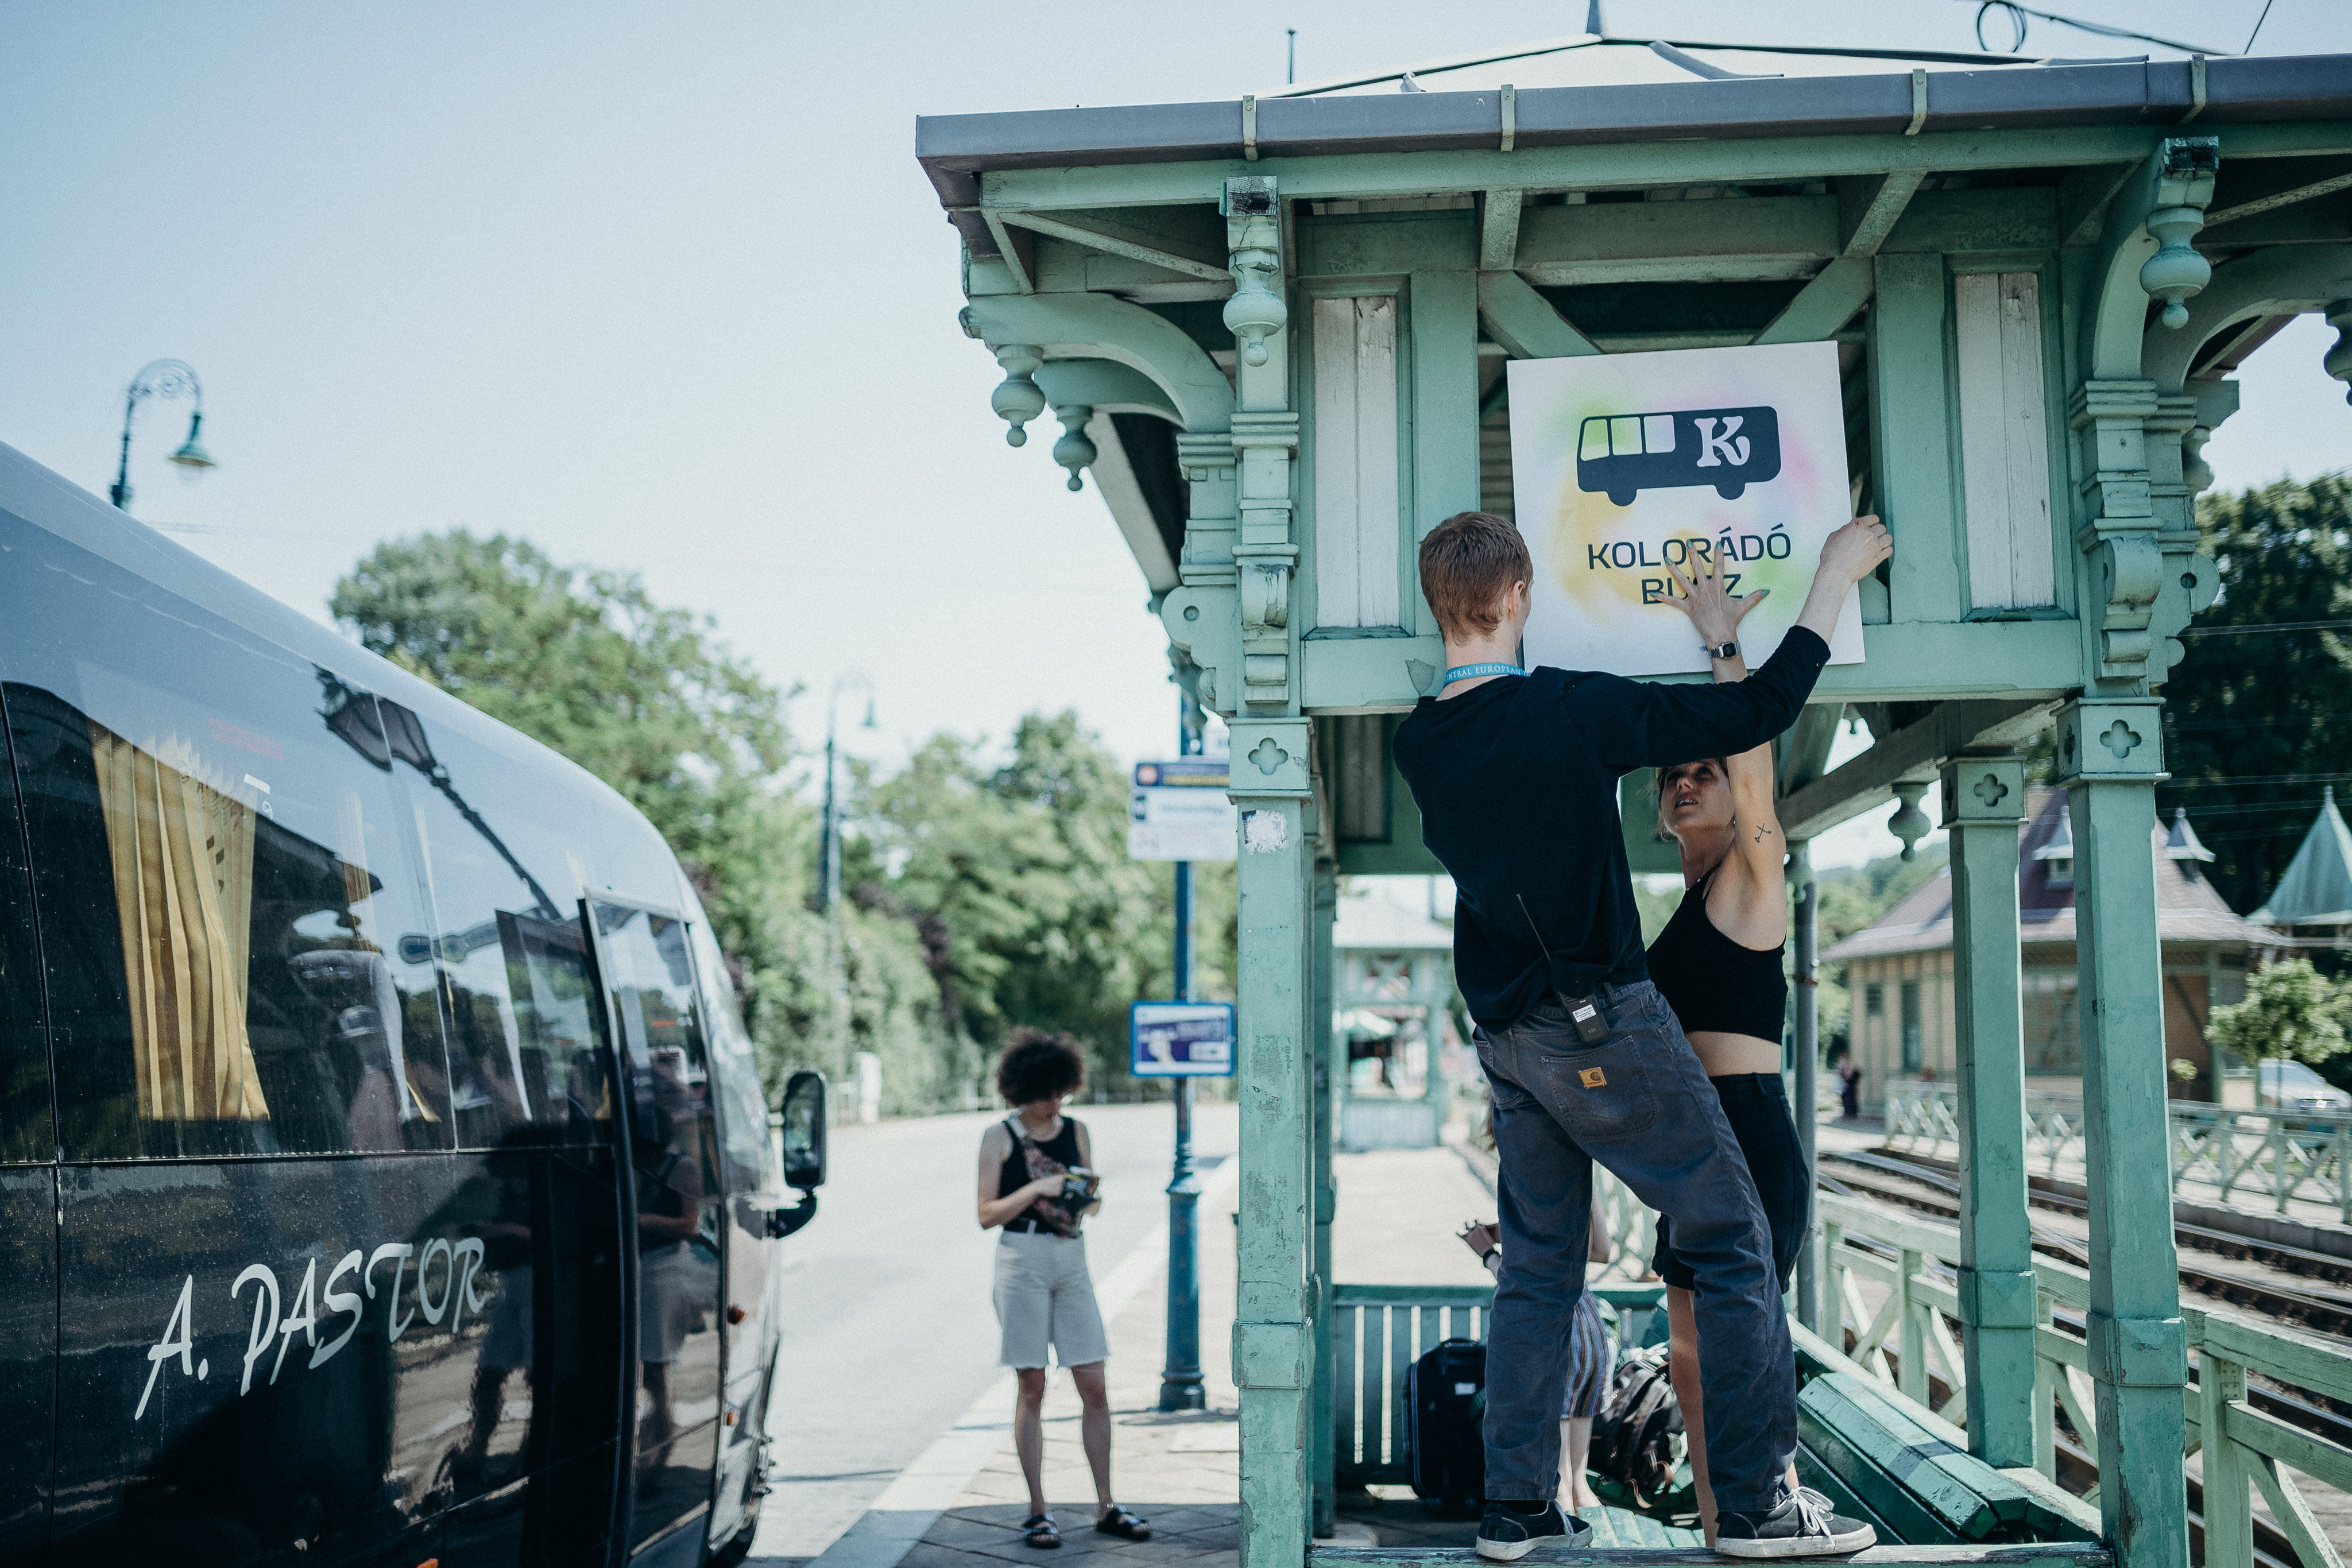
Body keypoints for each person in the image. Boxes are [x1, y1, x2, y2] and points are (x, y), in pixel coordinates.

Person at [1391, 509, 1888, 1561]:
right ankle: (1756, 1509)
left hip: (1507, 1040)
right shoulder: (1566, 710)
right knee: (1735, 1241)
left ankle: (1514, 1508)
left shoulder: (1418, 743)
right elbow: (1758, 708)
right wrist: (1831, 574)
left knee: (1537, 1270)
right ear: (1520, 596)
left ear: (1437, 606)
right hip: (1598, 1018)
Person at [1643, 547, 1811, 1546]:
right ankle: (1719, 1523)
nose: (1687, 780)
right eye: (1674, 773)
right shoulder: (1679, 904)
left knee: (1739, 1347)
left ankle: (1765, 1504)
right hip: (1691, 1140)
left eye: (1702, 769)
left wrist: (1723, 647)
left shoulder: (1753, 881)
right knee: (1686, 1355)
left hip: (1747, 1133)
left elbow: (1755, 780)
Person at [975, 1030, 1150, 1550]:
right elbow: (986, 1214)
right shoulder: (999, 1136)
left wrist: (1084, 1196)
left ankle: (1106, 1502)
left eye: (1060, 1092)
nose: (1054, 1103)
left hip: (1071, 1256)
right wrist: (1036, 1187)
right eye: (1044, 1093)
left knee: (1094, 1381)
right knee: (1032, 1385)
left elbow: (1091, 1200)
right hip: (1020, 1258)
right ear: (1021, 1091)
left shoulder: (1076, 1129)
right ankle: (1037, 1509)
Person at [1460, 1196, 1612, 1517]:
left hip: (1555, 1332)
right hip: (1590, 1328)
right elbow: (1602, 1251)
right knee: (1579, 1485)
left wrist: (1487, 1253)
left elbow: (1523, 1281)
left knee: (1559, 1483)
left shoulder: (1532, 1188)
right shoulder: (1579, 1181)